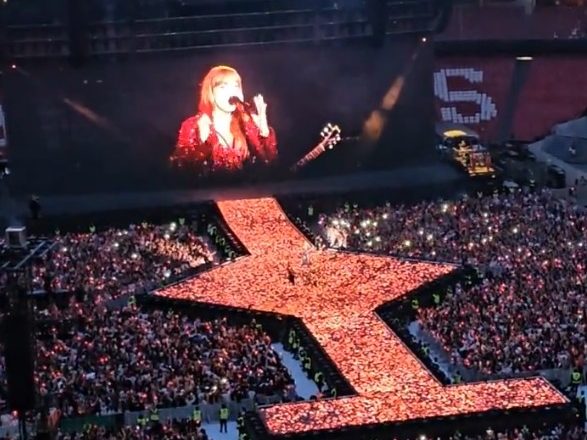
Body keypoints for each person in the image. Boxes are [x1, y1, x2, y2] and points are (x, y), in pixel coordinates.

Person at [171, 65, 278, 173]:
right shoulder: (193, 125)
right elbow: (180, 171)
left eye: (236, 86)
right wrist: (202, 141)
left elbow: (270, 166)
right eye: (223, 87)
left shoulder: (246, 123)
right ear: (210, 92)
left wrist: (264, 132)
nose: (232, 92)